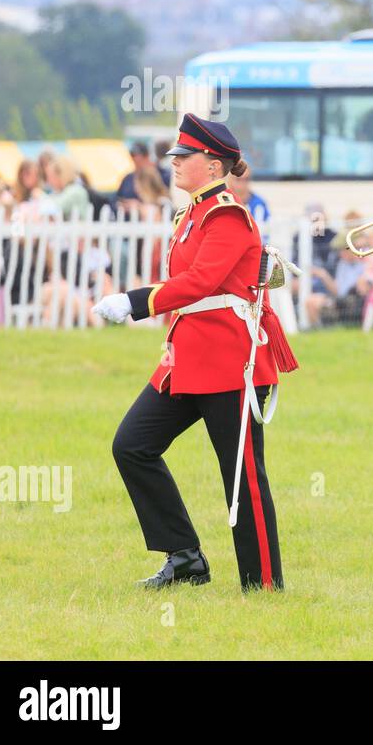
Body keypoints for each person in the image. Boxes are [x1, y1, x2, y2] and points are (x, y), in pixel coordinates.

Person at [93, 113, 298, 591]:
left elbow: (201, 282)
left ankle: (264, 584)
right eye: (176, 156)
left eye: (185, 157)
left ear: (213, 165)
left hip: (231, 362)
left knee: (242, 476)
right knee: (133, 445)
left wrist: (135, 300)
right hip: (188, 359)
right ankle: (185, 556)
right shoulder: (193, 214)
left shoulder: (226, 215)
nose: (176, 164)